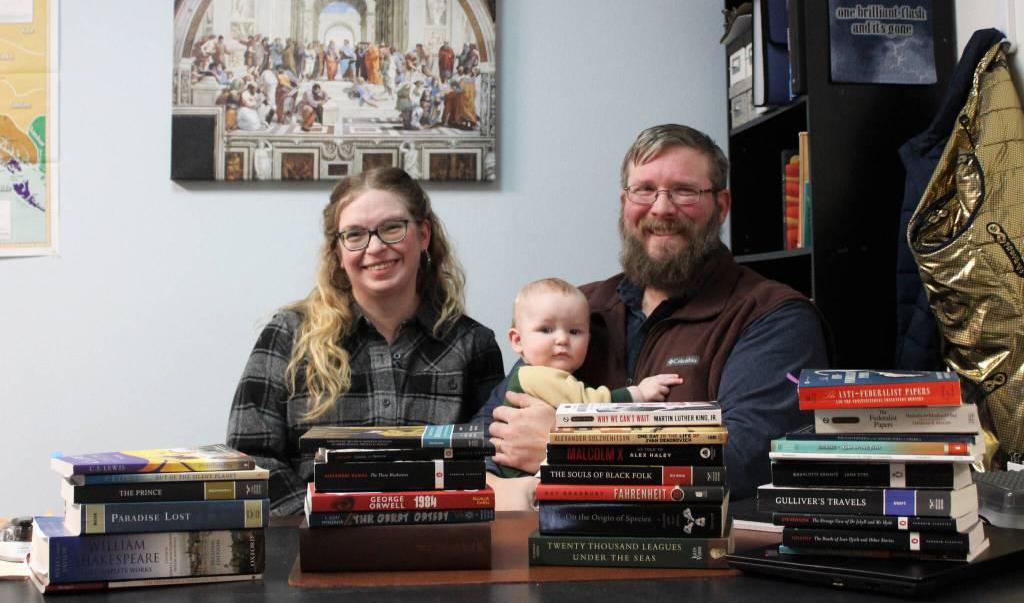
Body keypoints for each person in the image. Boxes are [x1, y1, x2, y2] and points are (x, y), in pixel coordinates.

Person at [476, 124, 828, 505]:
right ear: (625, 202)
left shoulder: (773, 317)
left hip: (698, 558)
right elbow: (486, 433)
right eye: (644, 190)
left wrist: (563, 448)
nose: (661, 207)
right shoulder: (580, 311)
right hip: (556, 547)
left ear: (722, 206)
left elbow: (747, 461)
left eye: (684, 191)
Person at [227, 167, 505, 515]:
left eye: (392, 227)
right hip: (315, 553)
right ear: (338, 253)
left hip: (439, 546)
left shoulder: (472, 344)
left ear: (423, 234)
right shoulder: (287, 335)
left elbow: (491, 460)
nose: (375, 247)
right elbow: (249, 458)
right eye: (355, 235)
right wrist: (321, 524)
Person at [494, 278, 681, 477]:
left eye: (574, 331)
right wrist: (637, 394)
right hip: (523, 479)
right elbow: (586, 405)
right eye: (546, 330)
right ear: (517, 340)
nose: (562, 339)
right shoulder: (536, 375)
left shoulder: (539, 373)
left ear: (588, 340)